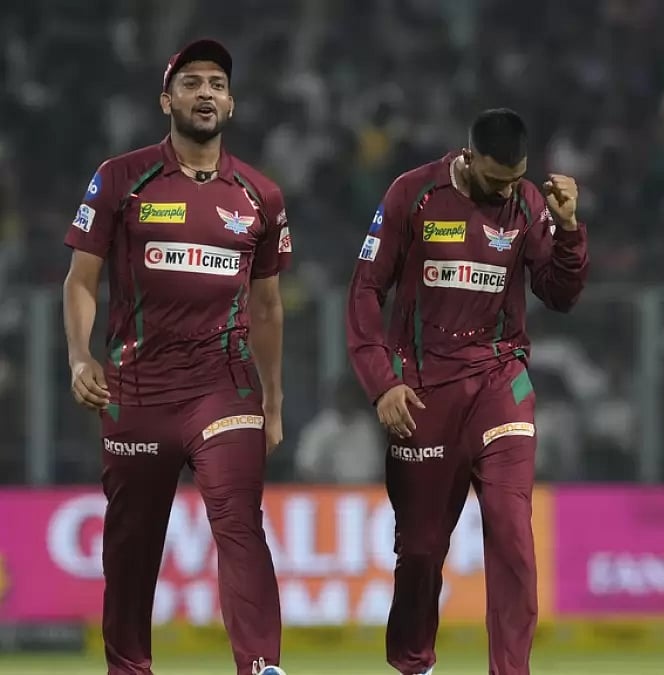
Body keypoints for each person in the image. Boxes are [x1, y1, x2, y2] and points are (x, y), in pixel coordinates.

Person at [62, 39, 291, 675]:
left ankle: (260, 666)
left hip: (225, 386)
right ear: (167, 100)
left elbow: (269, 308)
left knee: (239, 523)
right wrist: (81, 358)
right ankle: (129, 668)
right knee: (131, 547)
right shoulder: (120, 178)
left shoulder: (261, 196)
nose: (206, 93)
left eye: (217, 82)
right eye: (191, 83)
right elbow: (81, 280)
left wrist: (271, 397)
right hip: (137, 390)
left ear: (232, 102)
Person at [345, 108, 588, 675]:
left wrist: (570, 230)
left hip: (501, 384)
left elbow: (559, 293)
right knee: (422, 549)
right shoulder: (413, 195)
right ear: (469, 156)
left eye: (516, 179)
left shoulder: (528, 202)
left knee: (511, 536)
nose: (507, 190)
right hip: (423, 395)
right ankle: (412, 663)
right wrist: (383, 383)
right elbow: (363, 292)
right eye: (497, 179)